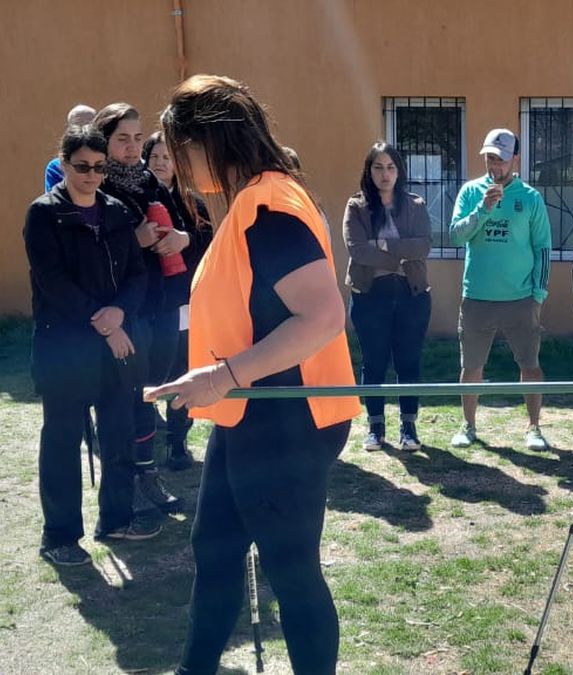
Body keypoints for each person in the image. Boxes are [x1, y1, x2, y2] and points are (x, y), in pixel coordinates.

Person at [147, 74, 359, 675]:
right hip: (252, 411)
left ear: (211, 140)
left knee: (292, 572)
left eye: (181, 150)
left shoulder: (268, 207)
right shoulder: (254, 202)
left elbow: (321, 315)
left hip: (284, 416)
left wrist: (218, 377)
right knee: (214, 550)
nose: (182, 167)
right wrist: (220, 382)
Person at [25, 125, 158, 564]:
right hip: (66, 347)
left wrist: (120, 313)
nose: (91, 175)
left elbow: (138, 275)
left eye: (100, 167)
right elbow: (53, 283)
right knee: (63, 442)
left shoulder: (118, 212)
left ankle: (117, 519)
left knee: (118, 433)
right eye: (81, 166)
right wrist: (106, 322)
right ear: (63, 164)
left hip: (117, 344)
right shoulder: (43, 214)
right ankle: (60, 535)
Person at [93, 103, 190, 514]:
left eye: (137, 138)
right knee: (128, 397)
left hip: (164, 302)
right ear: (104, 141)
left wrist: (182, 239)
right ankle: (129, 481)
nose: (132, 148)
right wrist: (135, 240)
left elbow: (190, 225)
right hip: (125, 312)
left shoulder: (151, 181)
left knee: (151, 391)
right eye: (122, 139)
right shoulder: (96, 187)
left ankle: (147, 474)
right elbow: (89, 256)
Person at [448, 128, 553, 450]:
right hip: (477, 297)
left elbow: (543, 249)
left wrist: (538, 294)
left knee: (529, 364)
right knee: (471, 366)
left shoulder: (530, 198)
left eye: (501, 159)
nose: (494, 165)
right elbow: (455, 236)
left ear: (515, 160)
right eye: (489, 158)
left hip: (520, 299)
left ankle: (534, 427)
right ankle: (468, 425)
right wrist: (483, 210)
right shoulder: (470, 192)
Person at [343, 141, 432, 451]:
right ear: (369, 171)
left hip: (411, 293)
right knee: (374, 362)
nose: (385, 174)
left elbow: (423, 246)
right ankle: (375, 429)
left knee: (408, 361)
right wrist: (399, 253)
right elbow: (357, 250)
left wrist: (381, 246)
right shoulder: (356, 206)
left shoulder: (415, 204)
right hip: (370, 295)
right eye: (378, 167)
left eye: (391, 167)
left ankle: (409, 428)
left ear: (399, 171)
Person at [143, 131, 213, 470]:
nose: (160, 162)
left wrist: (185, 239)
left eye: (166, 157)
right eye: (154, 156)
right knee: (148, 371)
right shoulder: (137, 199)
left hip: (183, 303)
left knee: (181, 371)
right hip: (147, 304)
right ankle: (144, 440)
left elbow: (207, 244)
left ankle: (177, 442)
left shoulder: (192, 202)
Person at [44, 104, 95, 190]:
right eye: (78, 127)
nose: (84, 133)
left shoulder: (107, 165)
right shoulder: (56, 167)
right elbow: (53, 201)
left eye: (90, 127)